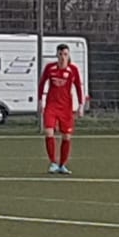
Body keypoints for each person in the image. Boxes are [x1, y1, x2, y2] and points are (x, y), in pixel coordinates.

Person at [38, 43, 87, 174]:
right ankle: (53, 163)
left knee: (66, 136)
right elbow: (42, 83)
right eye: (60, 54)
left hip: (66, 108)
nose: (63, 57)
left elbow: (78, 87)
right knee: (49, 132)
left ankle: (62, 165)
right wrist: (40, 101)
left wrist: (81, 105)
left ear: (68, 55)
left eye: (65, 54)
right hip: (51, 106)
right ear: (57, 55)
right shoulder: (50, 68)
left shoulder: (73, 70)